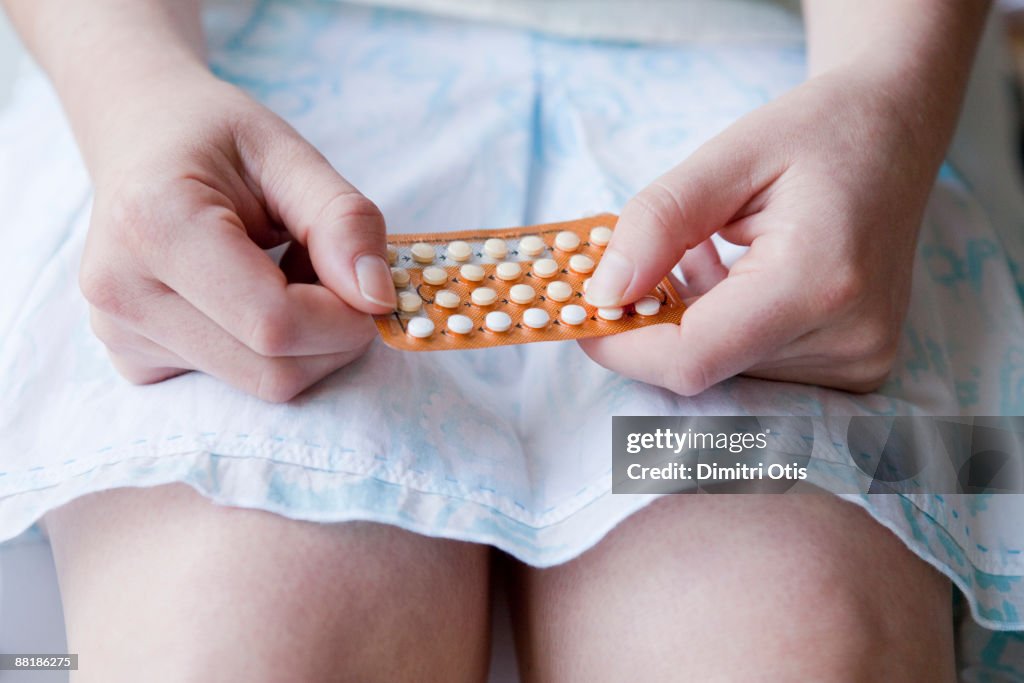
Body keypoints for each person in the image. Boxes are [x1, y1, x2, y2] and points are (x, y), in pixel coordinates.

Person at [0, 0, 1017, 680]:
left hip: (791, 101)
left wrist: (885, 103)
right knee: (244, 637)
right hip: (230, 90)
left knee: (784, 639)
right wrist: (131, 91)